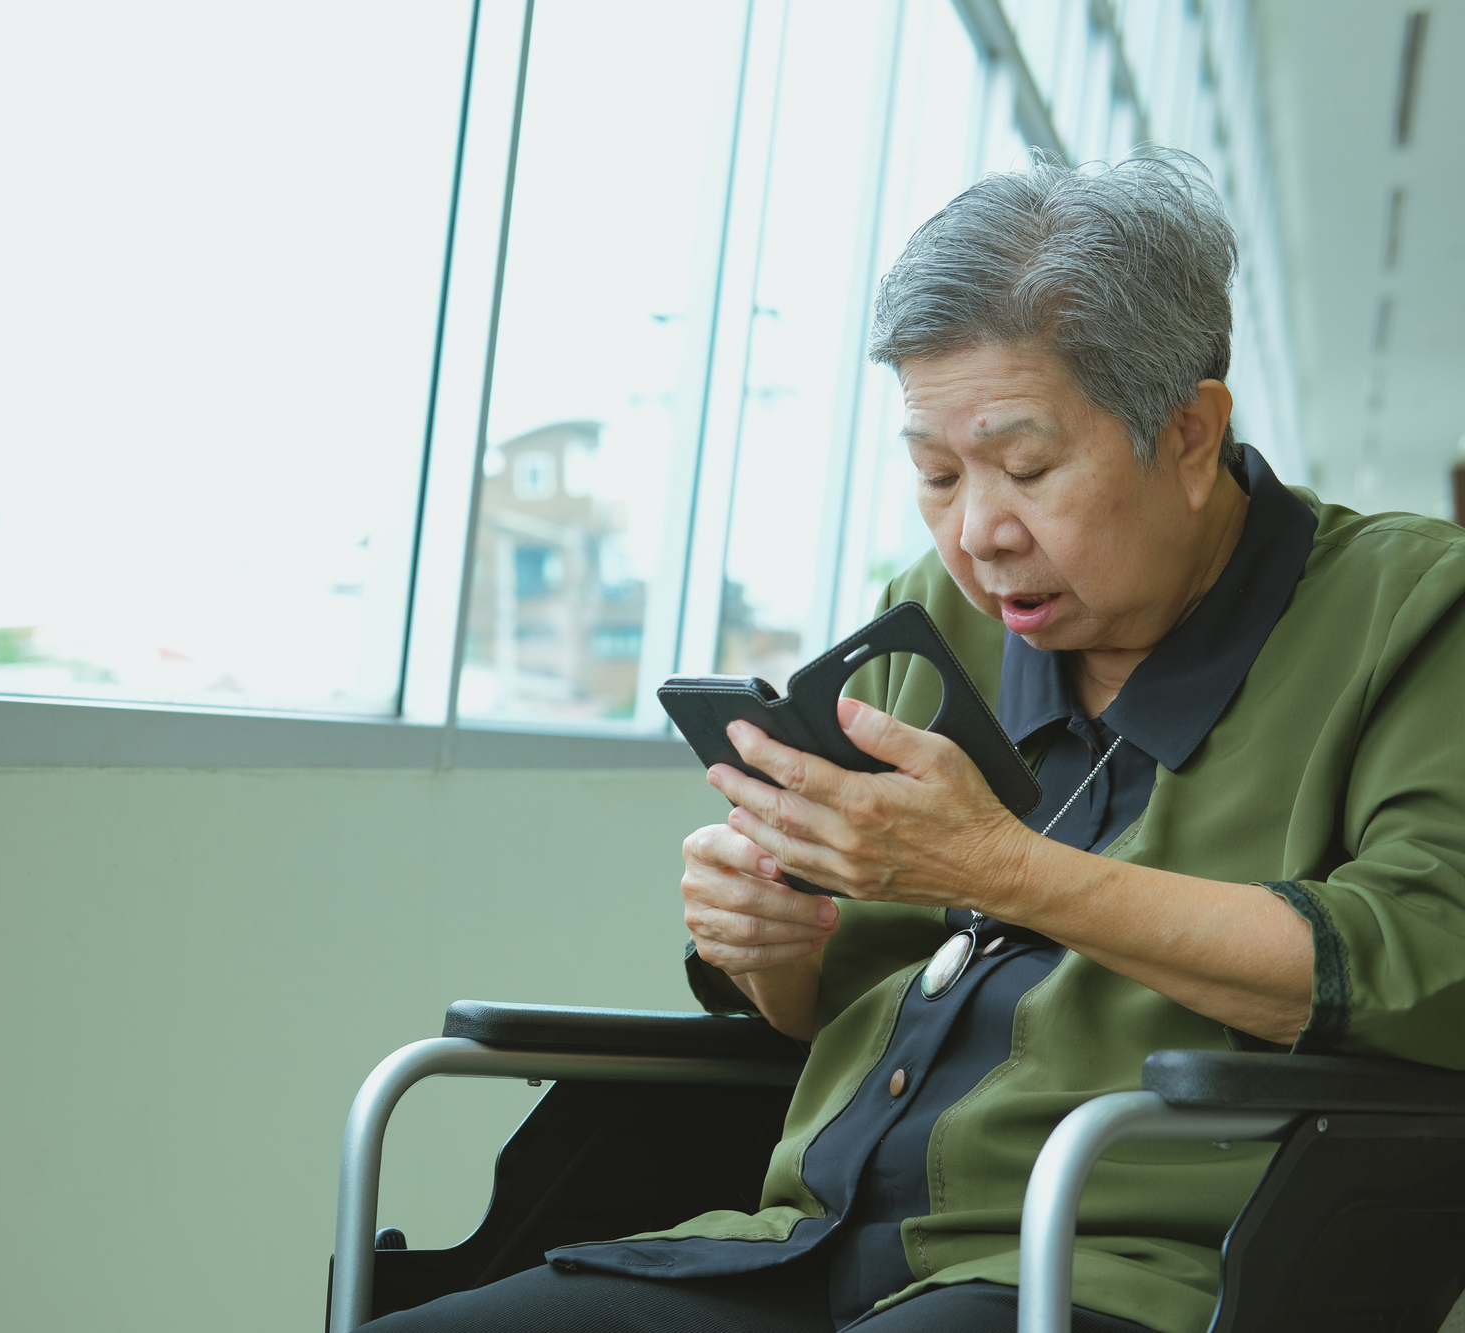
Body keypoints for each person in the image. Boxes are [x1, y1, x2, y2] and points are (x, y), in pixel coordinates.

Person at [364, 152, 1465, 1332]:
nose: (977, 532)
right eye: (934, 475)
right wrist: (766, 942)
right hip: (796, 1245)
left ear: (1190, 436)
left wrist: (1000, 868)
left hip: (1110, 1270)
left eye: (1026, 467)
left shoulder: (1406, 610)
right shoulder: (928, 623)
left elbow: (1426, 957)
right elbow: (829, 1002)